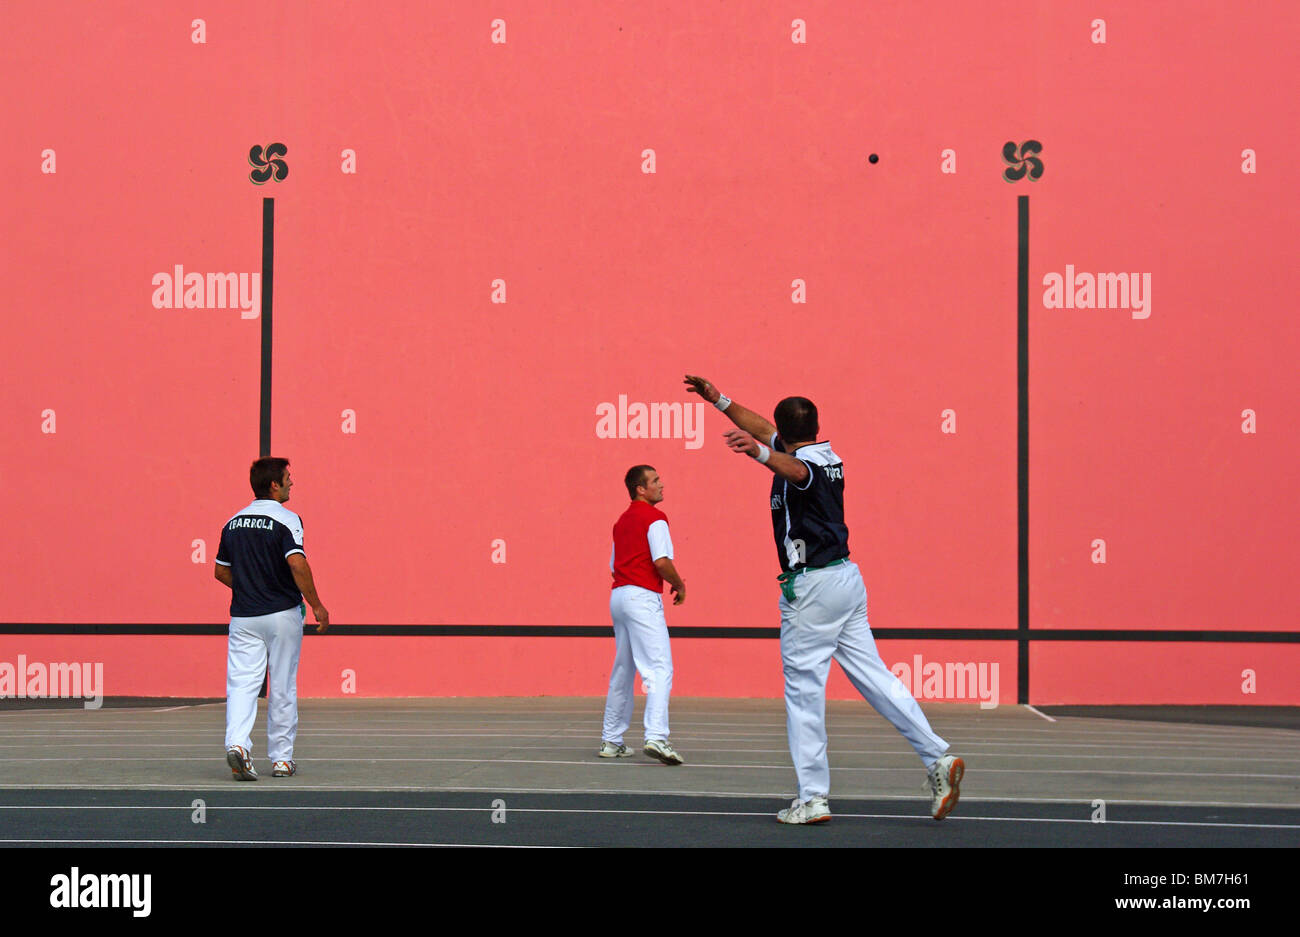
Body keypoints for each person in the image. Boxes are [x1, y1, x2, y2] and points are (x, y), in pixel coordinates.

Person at [684, 375, 963, 824]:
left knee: (803, 693)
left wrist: (755, 453)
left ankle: (812, 797)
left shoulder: (799, 464)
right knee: (875, 677)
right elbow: (760, 427)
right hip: (845, 581)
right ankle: (937, 759)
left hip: (812, 587)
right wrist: (718, 400)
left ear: (783, 433)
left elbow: (792, 471)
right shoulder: (821, 452)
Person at [215, 457, 329, 780]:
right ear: (274, 484)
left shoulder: (232, 523)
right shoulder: (288, 519)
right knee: (281, 684)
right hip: (281, 615)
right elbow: (297, 564)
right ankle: (281, 759)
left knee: (241, 685)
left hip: (243, 618)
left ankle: (237, 746)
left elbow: (220, 571)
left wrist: (251, 585)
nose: (292, 482)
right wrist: (317, 604)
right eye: (288, 477)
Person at [599, 465, 686, 766]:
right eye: (655, 481)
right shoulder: (656, 518)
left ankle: (612, 741)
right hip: (642, 597)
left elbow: (614, 564)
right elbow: (661, 562)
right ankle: (657, 737)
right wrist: (679, 583)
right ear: (641, 488)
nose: (662, 485)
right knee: (659, 668)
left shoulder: (621, 522)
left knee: (624, 669)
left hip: (619, 596)